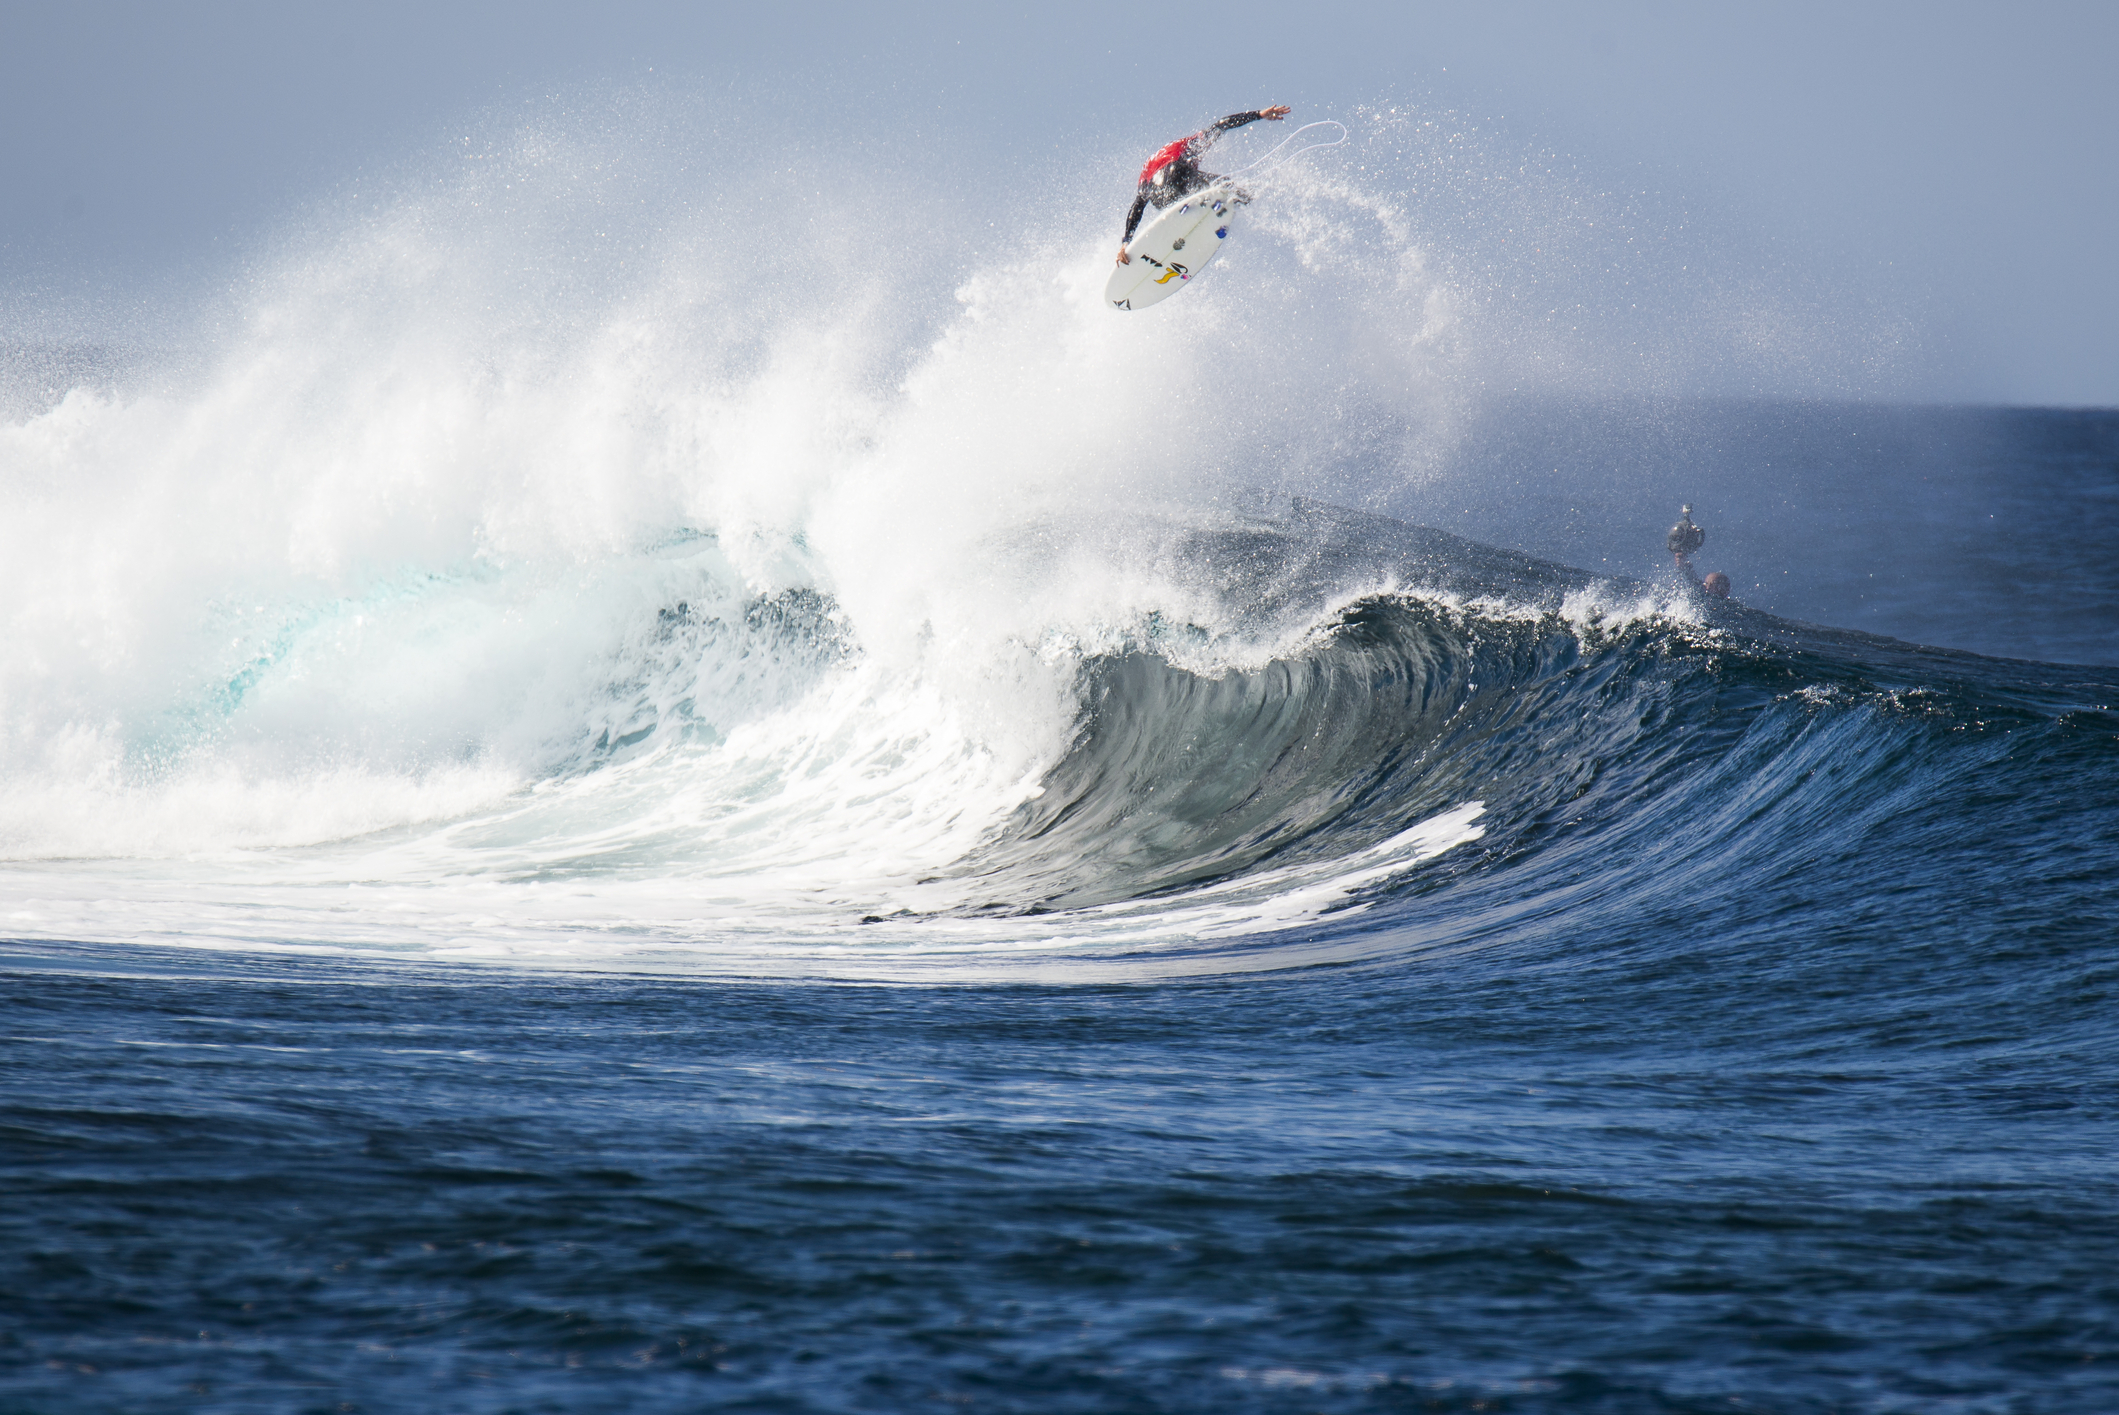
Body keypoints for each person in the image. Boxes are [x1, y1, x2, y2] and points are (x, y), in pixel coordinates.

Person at [1117, 106, 1292, 264]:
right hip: (1177, 175)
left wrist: (1125, 243)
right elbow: (1222, 124)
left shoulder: (1146, 170)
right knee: (1226, 187)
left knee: (1187, 193)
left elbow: (1137, 207)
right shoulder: (1189, 145)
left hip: (1159, 198)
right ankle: (1225, 207)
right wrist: (1259, 115)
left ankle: (1190, 216)